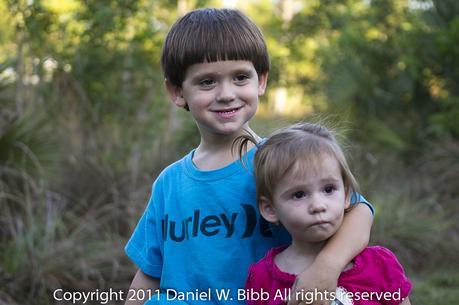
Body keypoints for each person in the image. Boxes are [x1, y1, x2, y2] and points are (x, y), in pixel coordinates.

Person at [124, 8, 374, 305]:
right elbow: (151, 271)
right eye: (207, 82)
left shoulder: (283, 162)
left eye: (240, 77)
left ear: (261, 81)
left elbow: (358, 213)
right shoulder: (170, 183)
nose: (227, 93)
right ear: (177, 91)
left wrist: (325, 268)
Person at [243, 122, 411, 305]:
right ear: (270, 209)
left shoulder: (380, 264)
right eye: (299, 194)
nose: (318, 205)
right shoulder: (262, 278)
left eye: (329, 189)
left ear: (346, 194)